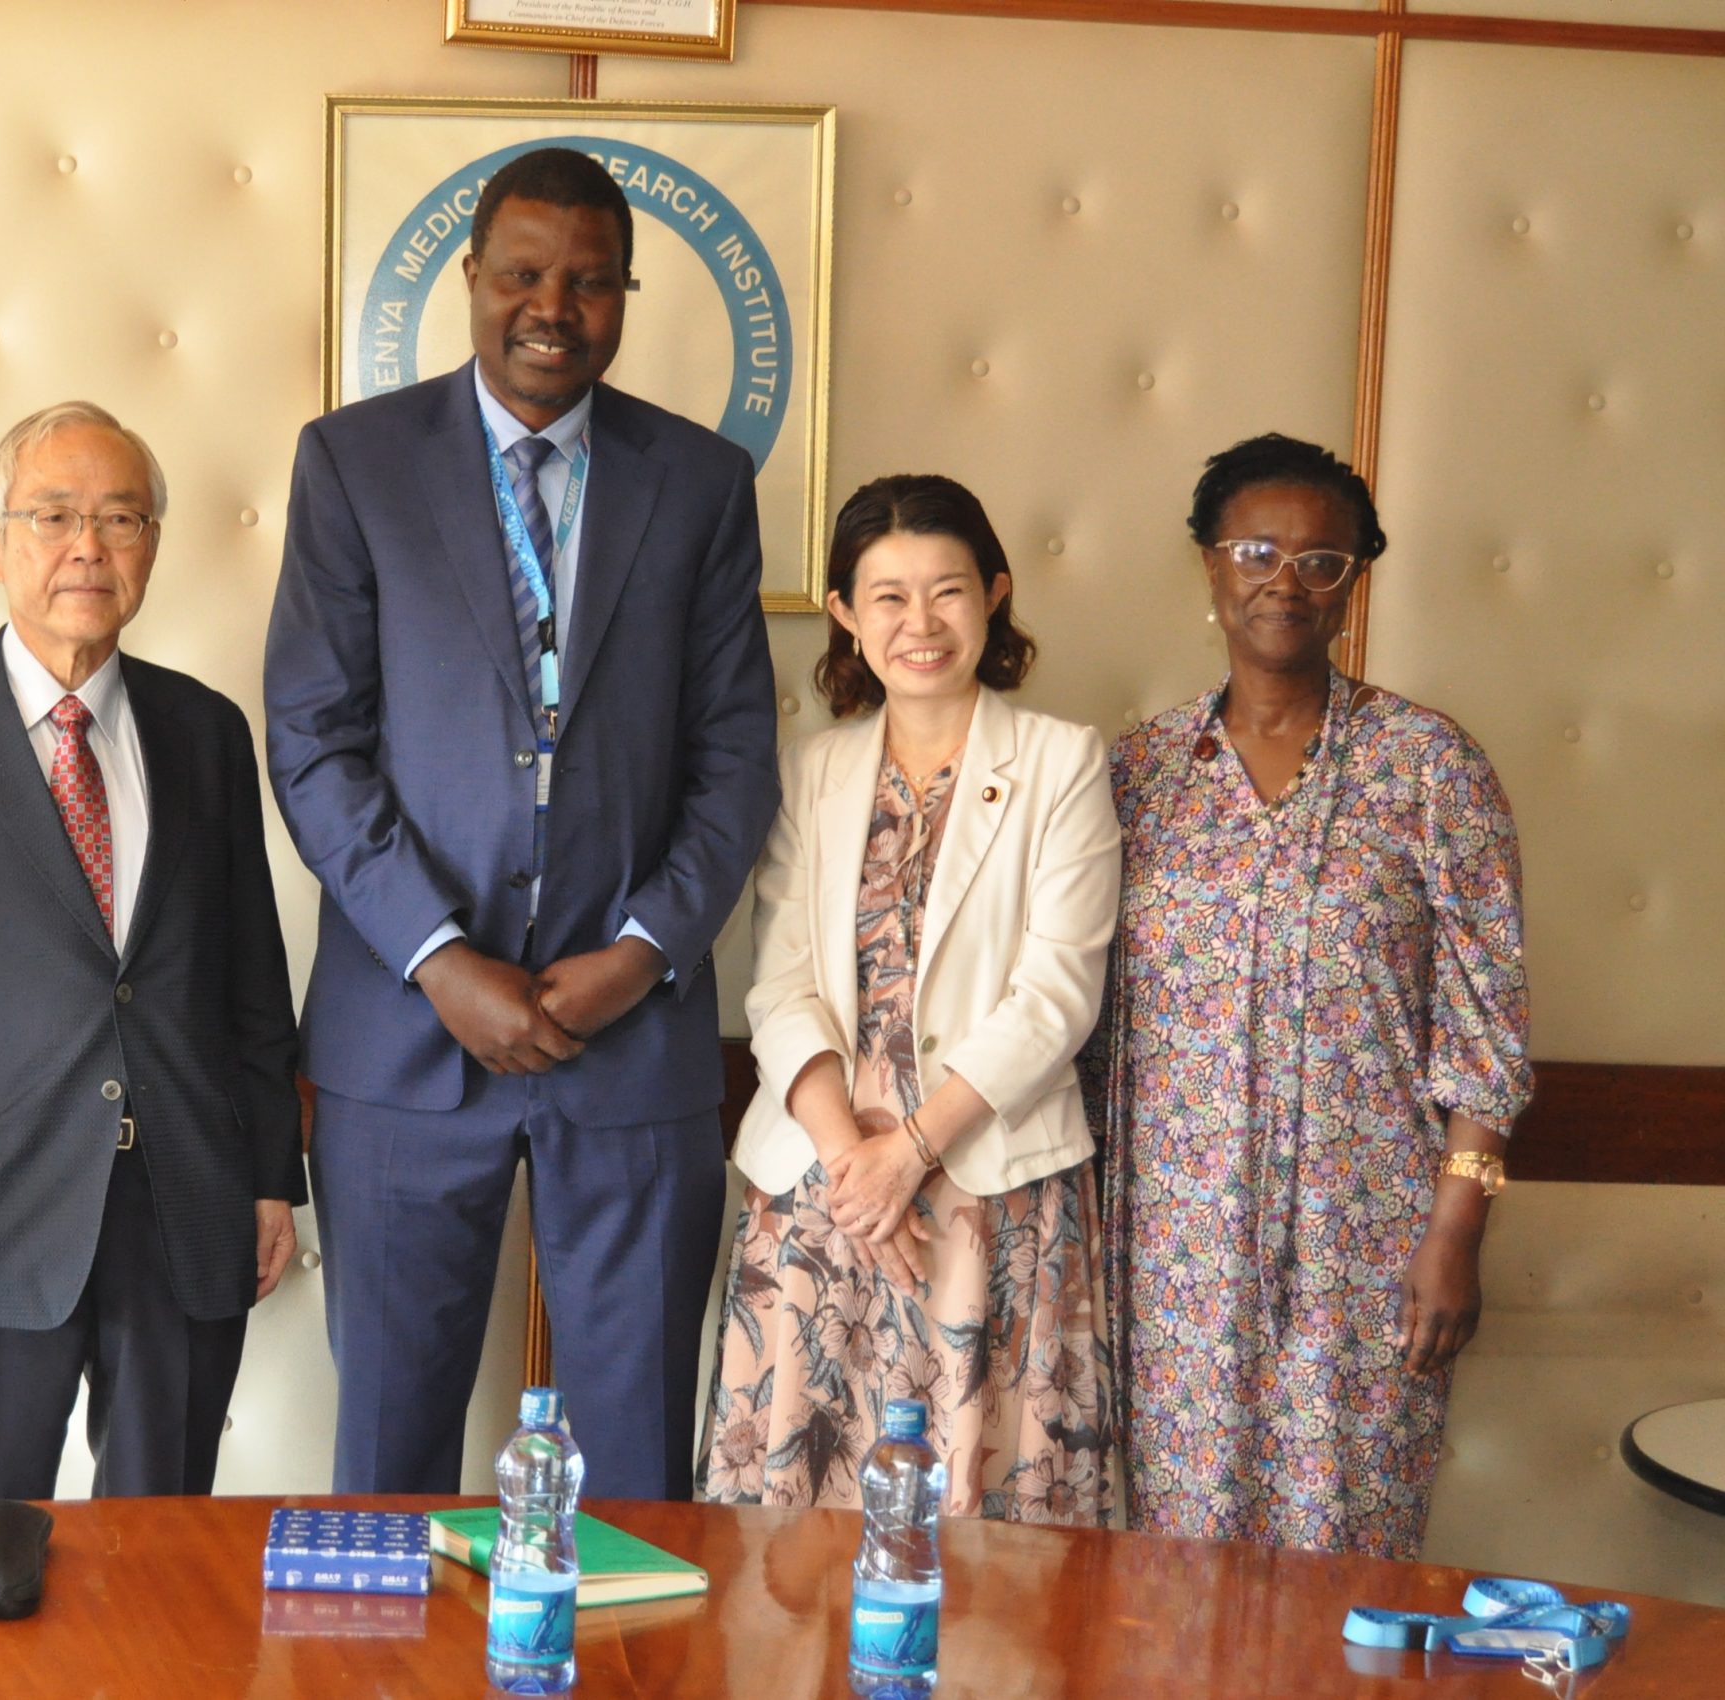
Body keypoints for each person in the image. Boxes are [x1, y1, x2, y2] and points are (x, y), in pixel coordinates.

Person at [265, 147, 779, 1499]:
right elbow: (314, 746)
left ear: (625, 297)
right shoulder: (354, 465)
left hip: (635, 1041)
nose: (555, 305)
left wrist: (646, 950)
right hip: (405, 1038)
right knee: (390, 1455)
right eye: (524, 274)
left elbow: (737, 759)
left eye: (591, 282)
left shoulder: (703, 483)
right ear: (472, 279)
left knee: (633, 1465)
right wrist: (439, 958)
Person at [0, 401, 304, 1500]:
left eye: (121, 517)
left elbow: (252, 983)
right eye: (54, 515)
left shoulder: (207, 731)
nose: (88, 545)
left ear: (154, 547)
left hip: (182, 1204)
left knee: (162, 1572)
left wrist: (272, 1175)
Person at [1101, 433, 1531, 1559]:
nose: (1283, 580)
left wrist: (1457, 1228)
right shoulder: (1133, 774)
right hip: (1172, 1253)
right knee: (1173, 1570)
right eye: (1255, 549)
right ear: (1207, 564)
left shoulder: (1431, 767)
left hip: (1369, 1242)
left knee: (1342, 1556)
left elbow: (1487, 1027)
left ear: (1354, 580)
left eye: (1321, 560)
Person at [702, 475, 1122, 1519]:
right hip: (818, 1193)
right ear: (844, 610)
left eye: (946, 591)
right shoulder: (811, 769)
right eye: (886, 596)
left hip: (987, 1190)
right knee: (794, 1548)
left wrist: (912, 1151)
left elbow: (1056, 991)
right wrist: (857, 1163)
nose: (919, 623)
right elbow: (780, 979)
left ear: (994, 595)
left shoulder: (1062, 762)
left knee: (982, 1541)